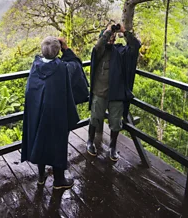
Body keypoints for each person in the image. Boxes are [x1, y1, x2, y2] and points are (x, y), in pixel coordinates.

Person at [21, 36, 87, 190]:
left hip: (37, 111)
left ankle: (41, 176)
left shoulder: (35, 65)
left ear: (42, 51)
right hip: (56, 114)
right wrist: (66, 48)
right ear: (58, 51)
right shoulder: (62, 68)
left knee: (40, 139)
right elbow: (77, 65)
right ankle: (59, 180)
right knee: (58, 143)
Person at [87, 23, 141, 161]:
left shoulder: (121, 51)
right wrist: (107, 31)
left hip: (117, 94)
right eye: (108, 36)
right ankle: (90, 141)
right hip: (100, 92)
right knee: (95, 117)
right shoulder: (100, 51)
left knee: (116, 122)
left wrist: (124, 31)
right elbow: (97, 47)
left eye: (113, 36)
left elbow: (135, 47)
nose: (111, 38)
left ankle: (112, 146)